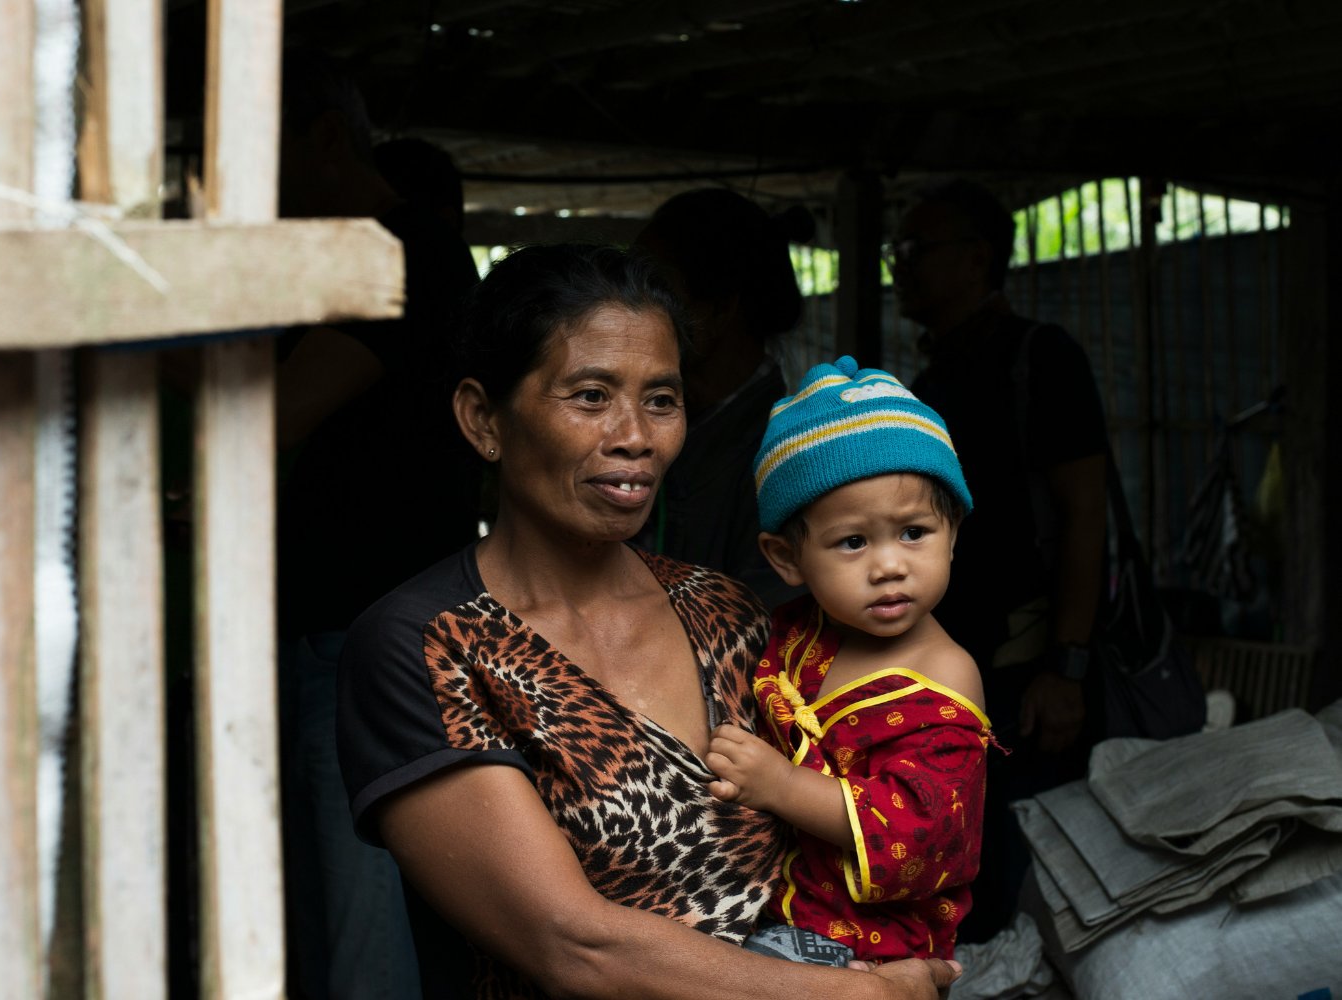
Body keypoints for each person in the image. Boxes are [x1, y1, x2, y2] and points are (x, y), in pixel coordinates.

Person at [335, 242, 962, 1000]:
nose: (636, 435)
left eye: (661, 399)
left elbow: (884, 794)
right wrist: (867, 995)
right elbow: (572, 944)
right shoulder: (426, 645)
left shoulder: (727, 612)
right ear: (481, 419)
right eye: (591, 395)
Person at [273, 47, 483, 1000]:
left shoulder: (399, 254)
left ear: (320, 139)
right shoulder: (345, 262)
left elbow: (271, 422)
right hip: (333, 636)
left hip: (365, 643)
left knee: (362, 928)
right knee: (325, 919)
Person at [704, 355, 993, 966]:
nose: (888, 565)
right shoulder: (798, 633)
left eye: (914, 532)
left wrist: (781, 786)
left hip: (870, 948)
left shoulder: (944, 676)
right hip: (773, 907)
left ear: (955, 532)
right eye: (853, 542)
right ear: (787, 560)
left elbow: (924, 829)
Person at [895, 176, 1111, 944]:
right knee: (968, 883)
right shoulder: (930, 380)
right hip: (962, 671)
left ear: (978, 258)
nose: (899, 264)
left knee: (1031, 887)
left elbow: (1088, 514)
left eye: (917, 249)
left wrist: (1069, 666)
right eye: (896, 249)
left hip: (1031, 675)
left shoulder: (1038, 357)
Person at [631, 187, 813, 611]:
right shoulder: (677, 430)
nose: (631, 310)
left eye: (656, 291)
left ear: (716, 309)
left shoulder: (785, 464)